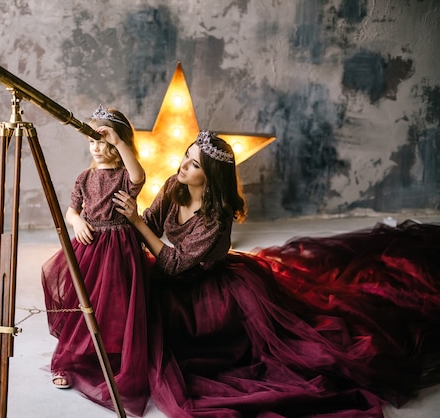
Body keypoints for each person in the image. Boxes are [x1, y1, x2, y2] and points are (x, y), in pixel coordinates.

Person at [113, 130, 440, 417]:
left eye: (194, 164)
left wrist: (137, 223)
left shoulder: (215, 217)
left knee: (189, 341)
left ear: (211, 176)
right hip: (174, 275)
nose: (183, 165)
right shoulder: (174, 186)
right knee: (131, 303)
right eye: (186, 157)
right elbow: (152, 224)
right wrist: (123, 225)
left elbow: (172, 261)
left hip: (208, 290)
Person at [41, 105, 149, 416]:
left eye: (103, 141)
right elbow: (71, 210)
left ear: (118, 143)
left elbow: (140, 175)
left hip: (119, 249)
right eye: (92, 141)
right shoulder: (84, 177)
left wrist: (118, 141)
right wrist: (76, 221)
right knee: (82, 304)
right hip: (90, 246)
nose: (97, 148)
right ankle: (71, 360)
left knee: (116, 305)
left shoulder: (125, 176)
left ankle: (114, 360)